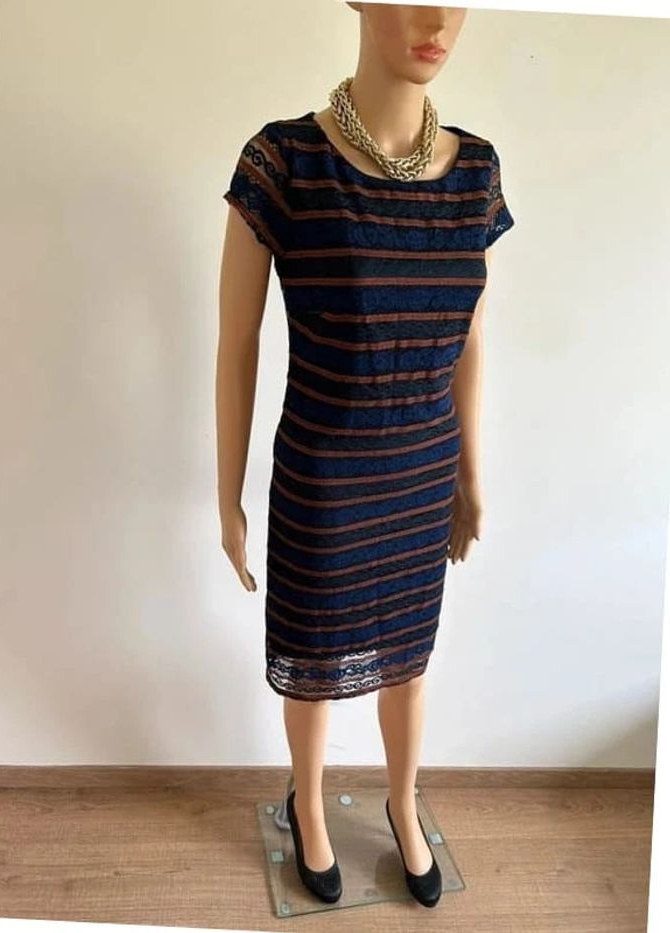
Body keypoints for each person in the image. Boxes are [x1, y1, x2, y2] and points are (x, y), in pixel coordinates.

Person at [216, 3, 515, 909]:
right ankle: (307, 804)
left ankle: (403, 802)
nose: (436, 17)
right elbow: (236, 345)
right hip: (325, 472)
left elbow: (470, 339)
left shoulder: (477, 172)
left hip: (423, 473)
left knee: (409, 661)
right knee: (313, 659)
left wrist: (470, 474)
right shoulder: (284, 162)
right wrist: (226, 497)